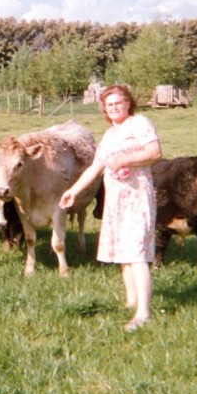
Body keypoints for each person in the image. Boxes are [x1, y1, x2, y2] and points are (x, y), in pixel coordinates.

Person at [59, 84, 162, 332]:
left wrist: (125, 159)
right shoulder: (109, 135)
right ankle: (131, 301)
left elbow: (155, 152)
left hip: (136, 195)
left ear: (128, 103)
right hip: (115, 200)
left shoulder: (139, 124)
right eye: (109, 105)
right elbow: (96, 167)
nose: (114, 108)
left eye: (118, 103)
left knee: (137, 252)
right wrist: (73, 190)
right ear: (104, 109)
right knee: (124, 251)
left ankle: (144, 314)